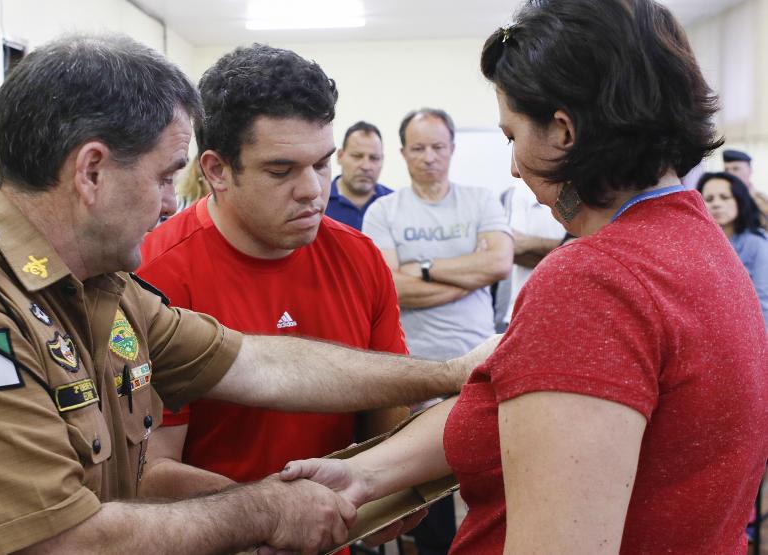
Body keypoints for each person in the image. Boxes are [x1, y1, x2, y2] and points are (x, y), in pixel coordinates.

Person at [0, 34, 485, 555]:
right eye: (162, 177)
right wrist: (264, 509)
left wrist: (453, 371)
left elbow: (256, 363)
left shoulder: (100, 286)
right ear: (92, 171)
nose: (168, 203)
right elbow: (62, 542)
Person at [282, 1, 768, 554]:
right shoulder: (698, 243)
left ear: (563, 132)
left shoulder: (594, 279)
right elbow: (523, 409)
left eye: (513, 136)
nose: (513, 166)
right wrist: (365, 474)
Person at [135, 45, 409, 509]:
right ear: (218, 171)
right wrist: (277, 513)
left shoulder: (358, 257)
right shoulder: (155, 276)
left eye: (322, 164)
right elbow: (149, 472)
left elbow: (389, 408)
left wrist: (393, 486)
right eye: (282, 171)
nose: (313, 191)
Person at [362, 108, 513, 554]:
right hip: (413, 372)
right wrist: (467, 275)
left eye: (438, 147)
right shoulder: (384, 210)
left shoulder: (481, 200)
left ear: (452, 149)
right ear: (404, 152)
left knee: (485, 482)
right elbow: (389, 287)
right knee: (427, 494)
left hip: (480, 364)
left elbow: (499, 263)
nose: (429, 157)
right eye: (419, 148)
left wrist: (423, 269)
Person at [697, 171, 768, 328]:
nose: (716, 204)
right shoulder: (696, 244)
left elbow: (764, 301)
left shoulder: (756, 243)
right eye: (708, 199)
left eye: (724, 197)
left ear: (740, 200)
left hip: (750, 334)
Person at [493, 182, 565, 331]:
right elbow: (512, 252)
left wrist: (530, 243)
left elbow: (598, 251)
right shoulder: (519, 192)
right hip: (521, 317)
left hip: (569, 317)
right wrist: (571, 249)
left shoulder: (590, 187)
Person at [326, 121, 393, 230]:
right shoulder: (318, 202)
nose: (366, 166)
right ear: (340, 156)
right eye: (357, 156)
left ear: (382, 160)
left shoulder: (394, 205)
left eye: (374, 158)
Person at [723, 149, 768, 222]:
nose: (729, 173)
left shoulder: (763, 202)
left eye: (736, 169)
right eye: (726, 169)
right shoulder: (717, 200)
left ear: (750, 171)